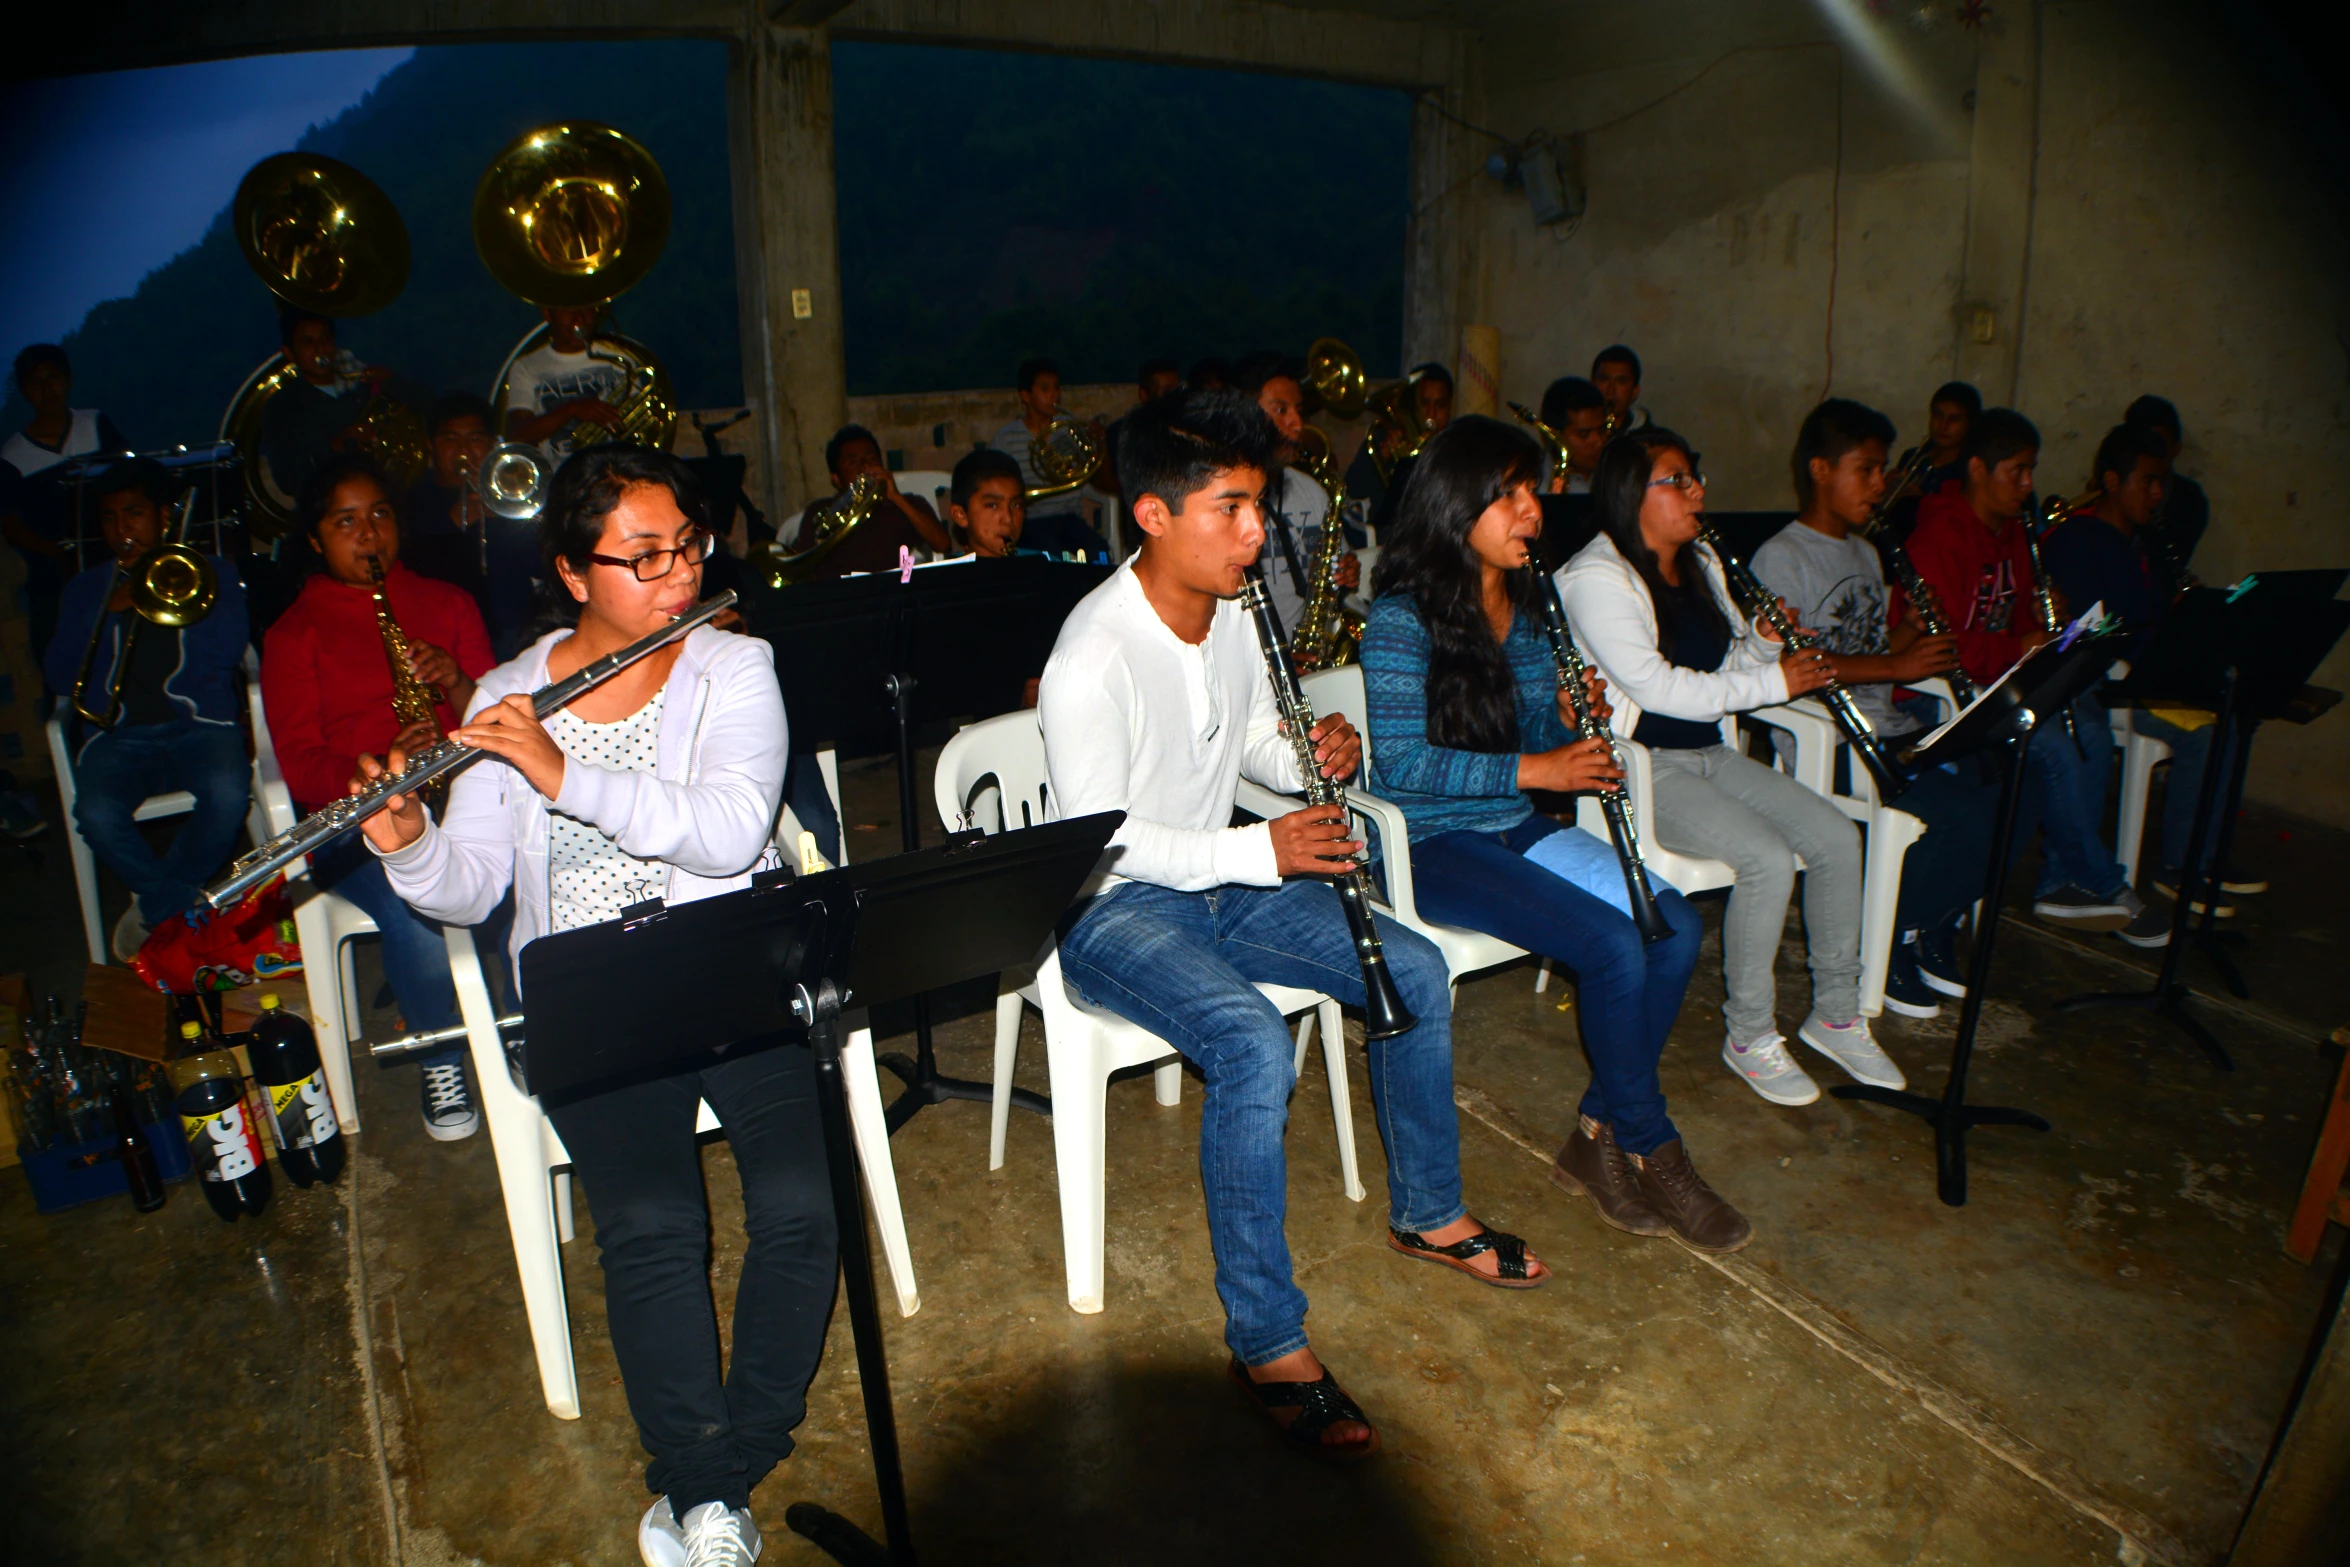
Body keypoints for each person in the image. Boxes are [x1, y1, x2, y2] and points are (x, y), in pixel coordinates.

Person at [1040, 387, 1547, 1461]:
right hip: (1112, 907)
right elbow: (1103, 842)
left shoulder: (1228, 612)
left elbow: (1250, 746)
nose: (1258, 531)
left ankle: (1429, 1212)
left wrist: (1304, 753)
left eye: (1259, 504)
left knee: (1412, 968)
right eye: (1231, 508)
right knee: (1252, 1043)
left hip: (1221, 875)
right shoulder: (1091, 658)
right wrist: (1257, 849)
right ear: (1151, 515)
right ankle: (1266, 1340)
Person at [361, 447, 803, 1566]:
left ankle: (729, 1455)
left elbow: (729, 833)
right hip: (588, 992)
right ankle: (704, 1494)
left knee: (801, 1202)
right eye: (642, 557)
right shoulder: (503, 696)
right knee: (655, 1223)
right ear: (570, 571)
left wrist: (566, 775)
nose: (676, 576)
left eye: (687, 548)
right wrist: (410, 847)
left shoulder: (734, 667)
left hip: (725, 964)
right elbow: (470, 885)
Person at [1362, 416, 1739, 1250]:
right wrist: (1542, 771)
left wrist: (1559, 721)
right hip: (1427, 845)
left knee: (1672, 925)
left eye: (1533, 490)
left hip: (1510, 822)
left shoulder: (1529, 606)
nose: (1533, 510)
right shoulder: (1398, 618)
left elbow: (1525, 731)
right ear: (1456, 506)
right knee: (1610, 945)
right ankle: (1652, 1142)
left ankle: (1598, 1133)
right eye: (1510, 495)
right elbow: (1403, 761)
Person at [1561, 427, 1896, 1108]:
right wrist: (1776, 681)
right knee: (1767, 857)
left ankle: (1834, 1011)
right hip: (1640, 766)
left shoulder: (1703, 560)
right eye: (1677, 479)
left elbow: (1724, 672)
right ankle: (1747, 1032)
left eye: (1695, 476)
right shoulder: (1593, 576)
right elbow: (1657, 688)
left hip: (1708, 750)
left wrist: (1763, 648)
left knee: (1836, 836)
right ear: (1634, 492)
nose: (1697, 491)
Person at [261, 453, 494, 1139]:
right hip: (354, 816)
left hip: (462, 788)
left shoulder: (448, 603)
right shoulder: (293, 632)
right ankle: (440, 1051)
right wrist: (376, 771)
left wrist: (455, 680)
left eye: (380, 514)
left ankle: (519, 1025)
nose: (369, 535)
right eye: (346, 521)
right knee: (414, 909)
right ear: (314, 538)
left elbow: (501, 713)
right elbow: (301, 764)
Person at [1749, 400, 1997, 1013]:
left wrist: (1912, 634)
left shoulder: (1864, 552)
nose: (1881, 485)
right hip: (1833, 741)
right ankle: (1889, 934)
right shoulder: (1782, 558)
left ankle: (1927, 915)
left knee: (2010, 785)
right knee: (1961, 811)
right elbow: (1801, 667)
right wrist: (1897, 665)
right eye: (1867, 469)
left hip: (1887, 726)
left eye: (1882, 470)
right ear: (1820, 470)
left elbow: (1866, 647)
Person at [1904, 408, 2149, 936]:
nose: (2028, 484)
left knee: (2089, 728)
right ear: (1976, 469)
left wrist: (2041, 617)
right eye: (2015, 471)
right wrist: (2020, 644)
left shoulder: (2015, 533)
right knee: (2057, 751)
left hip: (1998, 677)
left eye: (2030, 470)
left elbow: (2012, 618)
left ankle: (2063, 882)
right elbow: (1940, 642)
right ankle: (2100, 881)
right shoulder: (1939, 536)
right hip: (1943, 690)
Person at [2044, 421, 2254, 933]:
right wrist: (2143, 624)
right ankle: (2084, 876)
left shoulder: (2145, 545)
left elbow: (2148, 621)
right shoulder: (2078, 538)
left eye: (2163, 483)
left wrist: (2185, 611)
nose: (2158, 494)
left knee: (2222, 722)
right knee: (2101, 737)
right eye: (2148, 482)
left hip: (2139, 676)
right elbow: (2078, 633)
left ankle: (2188, 863)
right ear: (2113, 483)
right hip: (2097, 678)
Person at [42, 459, 252, 958]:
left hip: (199, 727)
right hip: (117, 736)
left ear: (162, 516)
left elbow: (230, 651)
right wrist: (104, 611)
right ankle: (180, 907)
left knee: (228, 794)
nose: (122, 529)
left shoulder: (210, 573)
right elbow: (57, 678)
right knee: (94, 813)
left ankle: (154, 912)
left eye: (133, 514)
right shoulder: (85, 590)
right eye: (111, 519)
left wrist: (168, 598)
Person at [4, 345, 131, 671]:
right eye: (36, 383)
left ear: (68, 380)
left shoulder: (95, 425)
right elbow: (11, 525)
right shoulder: (12, 456)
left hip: (112, 566)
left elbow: (131, 482)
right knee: (64, 667)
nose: (47, 390)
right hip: (54, 583)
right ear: (24, 392)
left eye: (53, 378)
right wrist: (57, 552)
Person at [403, 392, 540, 660]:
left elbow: (542, 564)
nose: (464, 450)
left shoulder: (511, 492)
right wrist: (451, 522)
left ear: (491, 444)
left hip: (515, 631)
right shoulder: (411, 500)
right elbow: (412, 570)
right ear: (431, 446)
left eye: (475, 439)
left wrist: (505, 514)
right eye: (450, 439)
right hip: (445, 636)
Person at [1232, 350, 1357, 639]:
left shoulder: (1312, 491)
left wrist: (1346, 572)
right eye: (1280, 410)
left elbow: (1339, 563)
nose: (1297, 424)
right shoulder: (1219, 499)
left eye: (1299, 410)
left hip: (1307, 650)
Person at [259, 308, 403, 506]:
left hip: (379, 501)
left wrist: (393, 382)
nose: (320, 348)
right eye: (308, 342)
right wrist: (335, 446)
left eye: (326, 339)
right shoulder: (281, 407)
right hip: (325, 512)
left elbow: (427, 409)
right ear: (289, 353)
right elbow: (287, 480)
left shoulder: (361, 388)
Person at [779, 424, 951, 578]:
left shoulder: (907, 502)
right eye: (853, 463)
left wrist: (896, 498)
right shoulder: (822, 510)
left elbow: (943, 544)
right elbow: (801, 568)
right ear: (836, 479)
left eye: (871, 459)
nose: (865, 467)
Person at [990, 356, 1107, 557]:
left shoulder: (1070, 430)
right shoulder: (1006, 438)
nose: (1053, 395)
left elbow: (1091, 470)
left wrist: (1097, 443)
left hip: (1069, 517)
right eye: (1045, 390)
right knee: (1050, 554)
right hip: (1031, 520)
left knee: (1099, 550)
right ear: (1026, 396)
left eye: (1056, 388)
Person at [501, 303, 631, 468]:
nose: (579, 318)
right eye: (568, 309)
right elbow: (518, 436)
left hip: (617, 471)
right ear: (547, 314)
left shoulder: (621, 358)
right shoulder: (527, 367)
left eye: (587, 307)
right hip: (559, 479)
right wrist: (572, 409)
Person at [1877, 381, 1979, 553]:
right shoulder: (1914, 456)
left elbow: (1964, 524)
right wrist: (1886, 490)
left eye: (1954, 419)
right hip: (1897, 545)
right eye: (1937, 415)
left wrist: (1922, 500)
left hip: (1937, 550)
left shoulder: (1970, 470)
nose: (1943, 425)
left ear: (1970, 424)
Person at [2123, 395, 2209, 597]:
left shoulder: (2189, 500)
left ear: (2176, 448)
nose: (2150, 452)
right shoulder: (2120, 492)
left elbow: (2164, 567)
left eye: (2158, 444)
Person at [1098, 357, 1184, 501]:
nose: (1172, 399)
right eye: (1164, 392)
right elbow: (1109, 483)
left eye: (1176, 391)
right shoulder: (1123, 432)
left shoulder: (1188, 430)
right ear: (1144, 395)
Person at [947, 447, 1027, 559]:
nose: (1008, 519)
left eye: (1016, 505)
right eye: (992, 505)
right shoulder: (947, 574)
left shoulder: (1046, 565)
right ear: (961, 514)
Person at [1536, 375, 1611, 495]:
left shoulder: (1613, 474)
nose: (1599, 441)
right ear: (1553, 435)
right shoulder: (1536, 485)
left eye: (1602, 431)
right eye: (1584, 434)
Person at [1589, 346, 1652, 431]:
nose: (1610, 390)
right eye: (1604, 380)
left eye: (1621, 382)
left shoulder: (1650, 440)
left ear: (1635, 391)